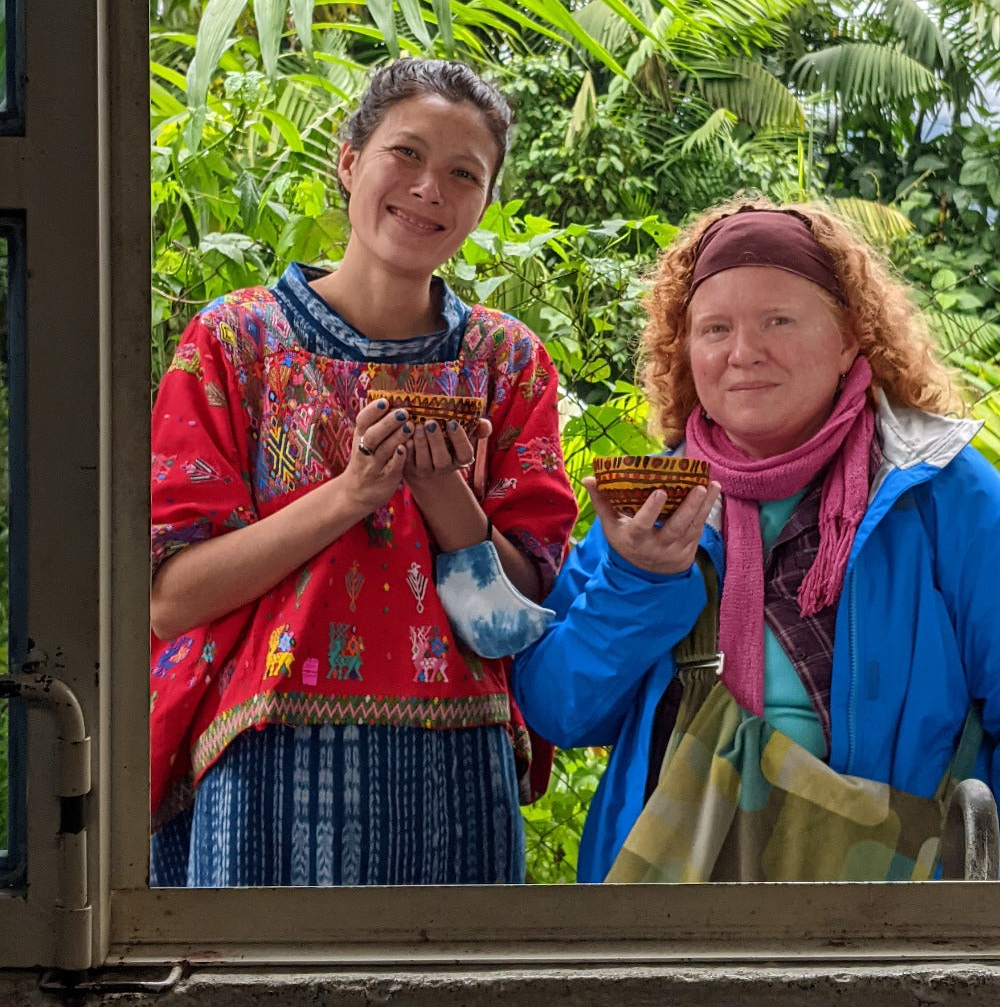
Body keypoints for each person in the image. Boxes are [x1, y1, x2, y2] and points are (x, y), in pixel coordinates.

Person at [149, 58, 577, 887]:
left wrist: (438, 487)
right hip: (261, 761)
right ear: (349, 160)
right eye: (406, 154)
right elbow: (171, 597)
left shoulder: (506, 360)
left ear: (486, 202)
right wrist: (352, 494)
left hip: (462, 770)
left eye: (463, 173)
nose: (430, 189)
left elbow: (514, 621)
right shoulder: (235, 340)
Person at [513, 197, 1000, 884]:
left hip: (892, 912)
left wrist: (962, 890)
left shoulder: (940, 491)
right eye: (715, 328)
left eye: (779, 320)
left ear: (849, 338)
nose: (744, 353)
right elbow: (561, 709)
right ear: (685, 349)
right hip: (677, 908)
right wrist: (637, 580)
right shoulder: (658, 497)